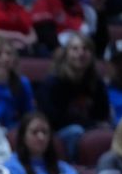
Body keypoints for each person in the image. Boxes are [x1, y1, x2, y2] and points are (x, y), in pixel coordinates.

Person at [37, 31, 111, 161]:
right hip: (59, 130)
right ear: (66, 54)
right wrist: (91, 124)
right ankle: (74, 166)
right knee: (75, 131)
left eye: (85, 49)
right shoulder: (53, 81)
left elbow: (102, 112)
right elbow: (52, 118)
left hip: (88, 126)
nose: (80, 53)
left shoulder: (96, 82)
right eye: (75, 49)